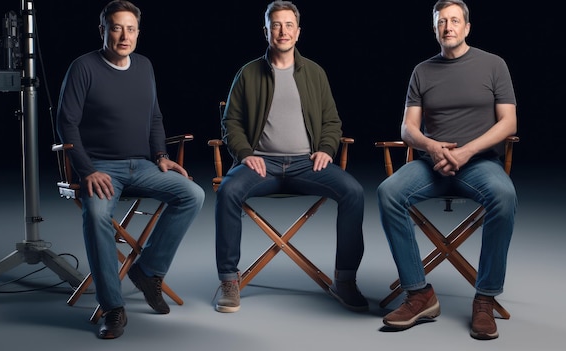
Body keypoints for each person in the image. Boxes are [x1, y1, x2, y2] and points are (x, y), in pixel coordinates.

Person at [56, 0, 205, 339]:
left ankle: (148, 270)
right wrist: (87, 170)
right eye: (116, 27)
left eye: (131, 28)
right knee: (95, 215)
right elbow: (67, 123)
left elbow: (154, 117)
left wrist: (161, 155)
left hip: (142, 164)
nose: (124, 35)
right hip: (101, 169)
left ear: (138, 32)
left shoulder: (144, 66)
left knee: (192, 195)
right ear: (103, 30)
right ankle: (113, 307)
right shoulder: (83, 67)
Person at [376, 0, 517, 340]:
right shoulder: (422, 71)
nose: (449, 26)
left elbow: (509, 121)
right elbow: (408, 128)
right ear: (435, 28)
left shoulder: (493, 65)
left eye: (455, 21)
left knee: (504, 195)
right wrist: (433, 147)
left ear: (467, 27)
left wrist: (467, 151)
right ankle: (419, 293)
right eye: (442, 21)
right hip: (433, 164)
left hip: (479, 163)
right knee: (388, 193)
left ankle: (484, 298)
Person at [214, 0, 367, 314]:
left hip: (306, 164)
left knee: (354, 192)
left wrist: (325, 149)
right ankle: (229, 280)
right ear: (266, 31)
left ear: (298, 32)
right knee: (228, 191)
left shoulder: (314, 72)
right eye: (276, 25)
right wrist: (244, 154)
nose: (282, 31)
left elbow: (332, 121)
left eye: (288, 25)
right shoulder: (247, 73)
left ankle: (346, 279)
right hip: (261, 164)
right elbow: (230, 122)